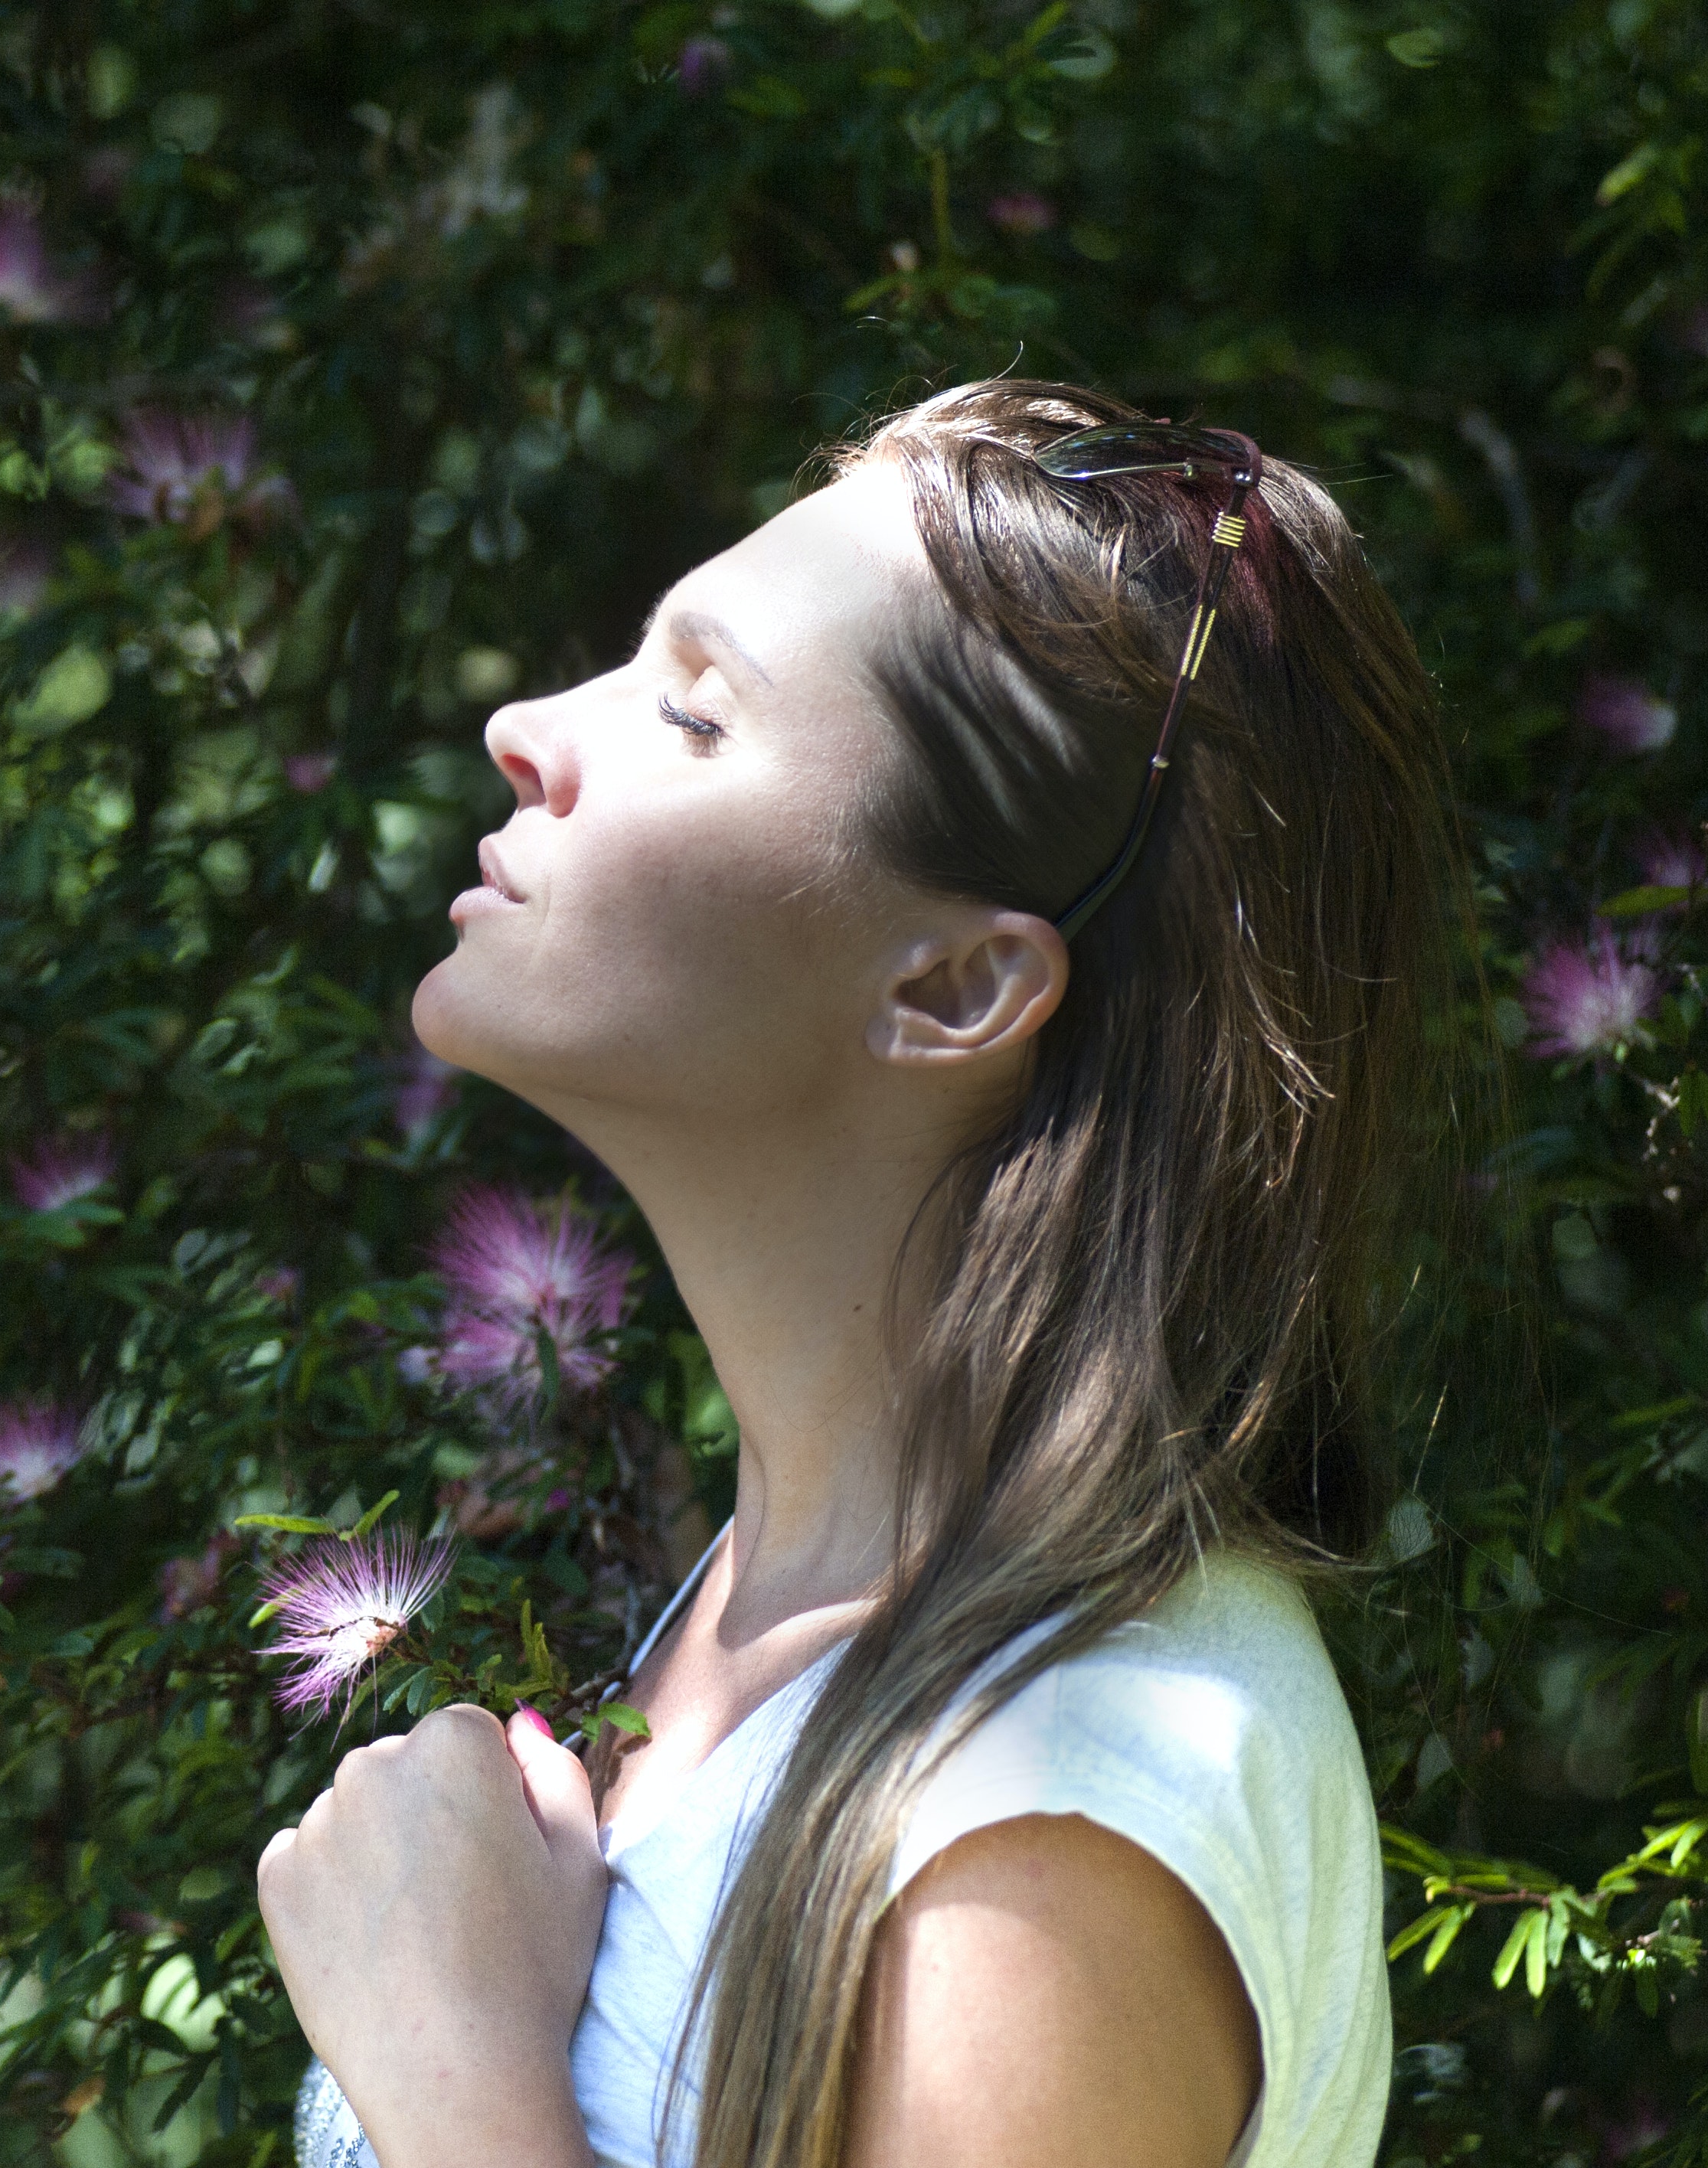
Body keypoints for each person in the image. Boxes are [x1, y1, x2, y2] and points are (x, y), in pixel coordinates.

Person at [260, 377, 1452, 2168]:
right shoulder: (789, 1618)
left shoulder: (1052, 1816)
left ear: (953, 991)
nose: (523, 726)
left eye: (691, 710)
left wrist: (448, 2072)